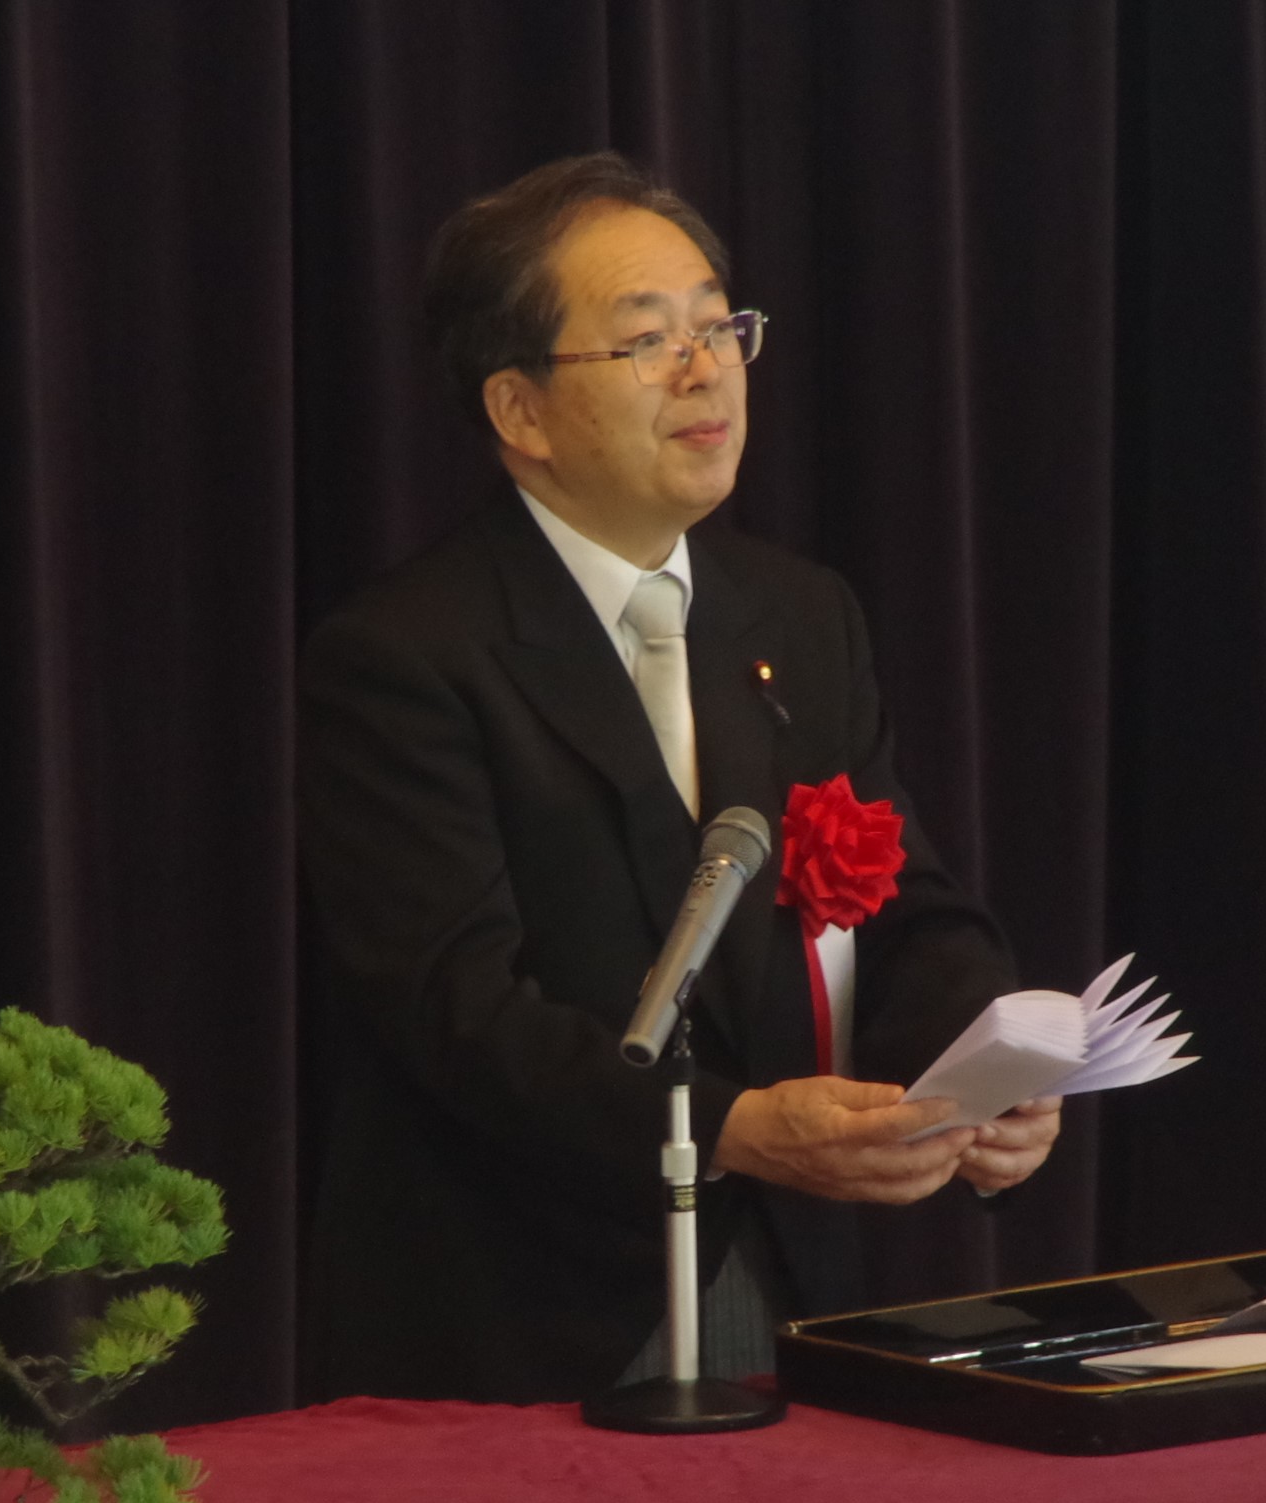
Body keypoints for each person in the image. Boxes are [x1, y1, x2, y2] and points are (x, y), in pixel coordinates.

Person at [296, 153, 1059, 1404]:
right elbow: (459, 1011)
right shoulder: (406, 655)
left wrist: (982, 1071)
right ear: (521, 410)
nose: (707, 370)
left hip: (795, 1288)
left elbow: (905, 905)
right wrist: (730, 1126)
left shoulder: (799, 615)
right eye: (648, 341)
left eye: (719, 326)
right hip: (525, 1318)